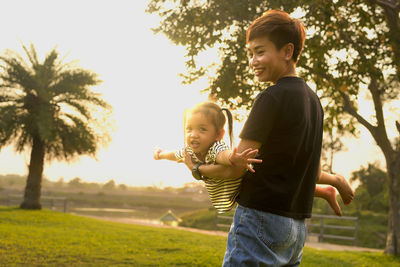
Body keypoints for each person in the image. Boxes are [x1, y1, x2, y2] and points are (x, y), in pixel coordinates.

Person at [181, 10, 353, 266]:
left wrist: (195, 167)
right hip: (294, 228)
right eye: (250, 53)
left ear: (287, 51)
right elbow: (312, 173)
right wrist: (335, 180)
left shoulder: (270, 98)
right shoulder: (314, 101)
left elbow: (237, 168)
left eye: (260, 52)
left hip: (260, 219)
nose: (253, 60)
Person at [154, 102, 352, 216]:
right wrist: (161, 155)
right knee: (293, 181)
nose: (194, 134)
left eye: (202, 129)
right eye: (189, 129)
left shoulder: (216, 148)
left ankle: (335, 180)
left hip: (250, 175)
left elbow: (223, 157)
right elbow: (175, 154)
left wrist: (234, 157)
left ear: (218, 134)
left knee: (305, 174)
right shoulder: (189, 151)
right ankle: (325, 191)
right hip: (245, 186)